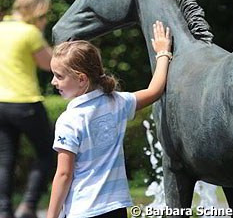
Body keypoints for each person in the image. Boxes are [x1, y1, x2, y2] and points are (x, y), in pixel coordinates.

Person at [47, 20, 172, 218]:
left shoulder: (69, 120)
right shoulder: (117, 102)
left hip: (83, 211)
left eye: (59, 76)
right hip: (117, 207)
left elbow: (64, 174)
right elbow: (154, 91)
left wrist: (51, 215)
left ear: (81, 79)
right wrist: (163, 53)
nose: (54, 82)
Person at [0, 0, 54, 218]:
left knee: (5, 158)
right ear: (37, 10)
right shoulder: (29, 32)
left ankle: (4, 210)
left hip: (0, 104)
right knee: (48, 151)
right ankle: (29, 205)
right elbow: (49, 65)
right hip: (25, 102)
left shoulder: (1, 27)